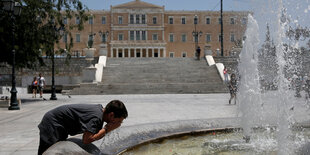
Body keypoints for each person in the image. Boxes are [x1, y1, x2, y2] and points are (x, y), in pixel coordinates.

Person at [37, 100, 128, 155]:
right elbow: (87, 139)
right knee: (47, 151)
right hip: (52, 123)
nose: (119, 124)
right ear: (111, 115)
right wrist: (107, 129)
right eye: (119, 121)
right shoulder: (96, 117)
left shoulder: (99, 112)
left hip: (59, 125)